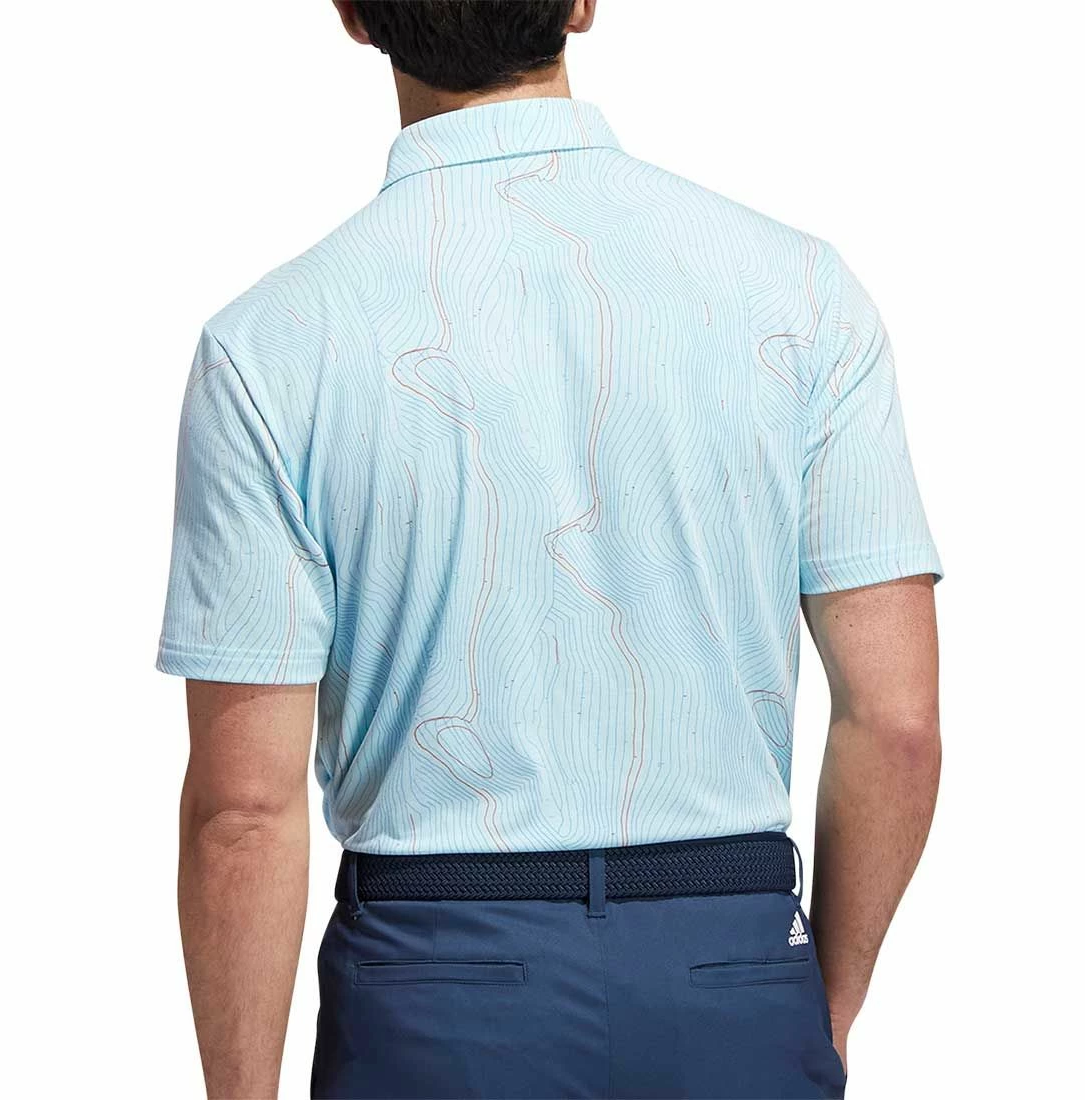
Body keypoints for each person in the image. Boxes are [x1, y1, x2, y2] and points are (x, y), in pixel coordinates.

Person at [154, 2, 943, 1097]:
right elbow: (897, 725)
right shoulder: (803, 295)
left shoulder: (272, 346)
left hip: (435, 984)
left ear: (353, 15)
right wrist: (817, 1012)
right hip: (730, 968)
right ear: (581, 4)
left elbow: (242, 810)